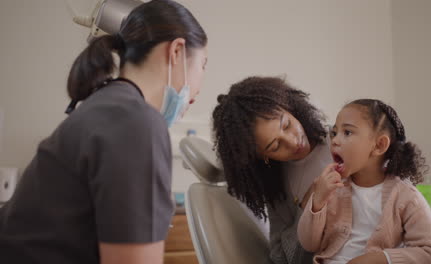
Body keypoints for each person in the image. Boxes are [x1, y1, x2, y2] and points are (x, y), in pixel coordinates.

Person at [0, 1, 207, 263]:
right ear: (177, 51)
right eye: (204, 65)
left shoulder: (111, 106)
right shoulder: (137, 122)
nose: (199, 88)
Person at [297, 99, 431, 264]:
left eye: (347, 132)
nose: (334, 140)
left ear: (379, 145)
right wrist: (318, 201)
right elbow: (308, 244)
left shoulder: (405, 195)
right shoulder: (330, 189)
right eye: (334, 133)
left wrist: (380, 258)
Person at [212, 76, 332, 264]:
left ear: (291, 108)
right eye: (275, 146)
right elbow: (281, 258)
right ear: (263, 157)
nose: (293, 142)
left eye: (287, 124)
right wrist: (306, 208)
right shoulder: (278, 190)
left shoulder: (341, 140)